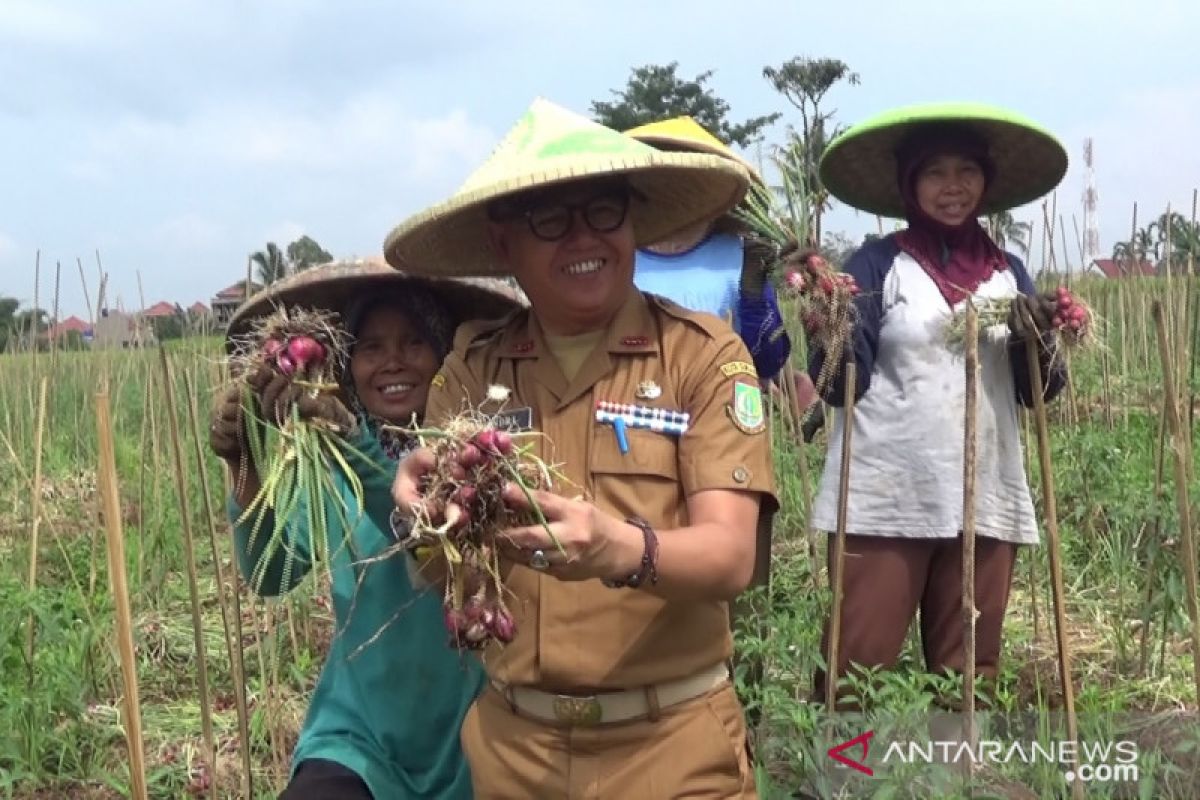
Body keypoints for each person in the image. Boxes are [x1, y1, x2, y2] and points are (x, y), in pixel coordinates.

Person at [383, 98, 778, 798]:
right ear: (504, 244)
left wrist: (617, 549)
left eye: (604, 212)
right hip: (515, 751)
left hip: (674, 745)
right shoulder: (474, 369)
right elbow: (447, 571)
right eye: (550, 220)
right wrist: (421, 518)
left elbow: (730, 558)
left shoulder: (703, 357)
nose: (583, 238)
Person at [208, 258, 523, 799]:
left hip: (471, 729)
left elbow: (428, 534)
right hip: (359, 735)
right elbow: (272, 574)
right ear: (348, 364)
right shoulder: (331, 467)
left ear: (445, 354)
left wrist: (357, 446)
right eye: (371, 347)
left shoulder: (477, 467)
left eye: (414, 343)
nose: (391, 362)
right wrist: (246, 467)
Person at [805, 102, 1069, 705]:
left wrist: (1041, 335)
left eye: (966, 172)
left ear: (985, 181)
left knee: (968, 680)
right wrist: (828, 318)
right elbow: (841, 378)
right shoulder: (877, 265)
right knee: (854, 675)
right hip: (885, 498)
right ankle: (844, 782)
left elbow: (1039, 391)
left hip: (986, 495)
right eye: (934, 173)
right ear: (909, 183)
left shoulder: (1010, 273)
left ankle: (956, 782)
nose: (953, 187)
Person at [624, 116, 792, 385]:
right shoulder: (617, 256)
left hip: (721, 410)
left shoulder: (741, 258)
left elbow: (768, 361)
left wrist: (754, 296)